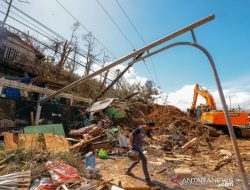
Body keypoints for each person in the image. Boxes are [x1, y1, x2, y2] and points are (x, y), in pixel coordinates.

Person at [125, 121, 156, 187]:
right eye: (151, 127)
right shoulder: (139, 128)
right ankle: (148, 181)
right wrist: (131, 145)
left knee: (137, 161)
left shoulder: (147, 129)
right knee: (144, 160)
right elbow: (131, 134)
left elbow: (148, 134)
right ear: (147, 125)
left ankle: (128, 171)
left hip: (139, 146)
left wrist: (153, 139)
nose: (151, 129)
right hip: (135, 146)